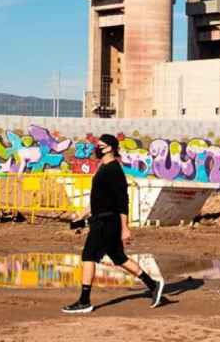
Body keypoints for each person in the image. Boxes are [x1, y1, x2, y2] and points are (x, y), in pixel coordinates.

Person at [62, 134, 164, 314]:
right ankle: (153, 285)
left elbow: (122, 201)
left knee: (88, 256)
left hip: (107, 221)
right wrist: (81, 214)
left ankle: (84, 301)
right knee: (119, 257)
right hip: (101, 219)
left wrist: (125, 228)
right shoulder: (103, 168)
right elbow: (97, 198)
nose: (97, 148)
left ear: (109, 148)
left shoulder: (114, 169)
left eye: (100, 145)